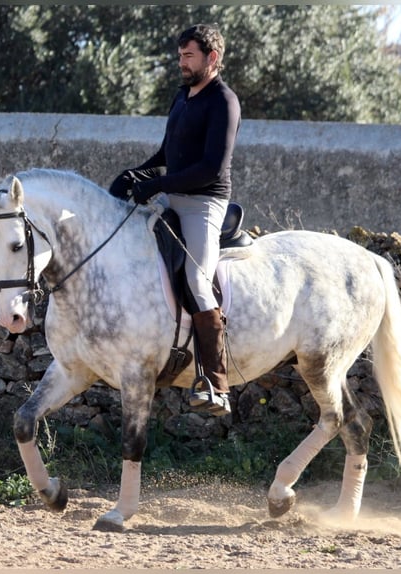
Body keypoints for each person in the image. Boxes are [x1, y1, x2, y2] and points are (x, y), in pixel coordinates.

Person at [109, 23, 241, 416]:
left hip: (204, 202)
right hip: (173, 191)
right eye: (180, 56)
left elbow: (211, 169)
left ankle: (217, 384)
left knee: (198, 279)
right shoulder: (182, 96)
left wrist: (160, 184)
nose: (181, 63)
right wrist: (137, 175)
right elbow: (166, 153)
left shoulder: (224, 102)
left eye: (189, 56)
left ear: (211, 58)